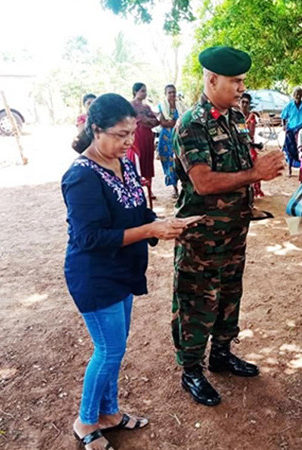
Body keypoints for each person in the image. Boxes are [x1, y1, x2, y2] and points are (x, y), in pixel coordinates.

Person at [65, 93, 192, 450]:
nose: (128, 141)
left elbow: (138, 214)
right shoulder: (81, 176)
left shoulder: (126, 162)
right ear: (95, 130)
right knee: (108, 350)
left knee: (114, 349)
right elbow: (89, 238)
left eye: (131, 133)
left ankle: (111, 413)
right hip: (94, 275)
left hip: (121, 271)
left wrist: (165, 223)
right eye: (120, 134)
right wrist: (150, 230)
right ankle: (86, 420)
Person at [172, 46, 285, 407]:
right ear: (212, 79)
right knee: (196, 302)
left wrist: (259, 163)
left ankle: (221, 354)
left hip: (234, 232)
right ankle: (191, 369)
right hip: (202, 237)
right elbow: (203, 182)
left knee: (228, 295)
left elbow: (238, 165)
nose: (241, 88)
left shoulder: (234, 119)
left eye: (242, 81)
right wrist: (256, 173)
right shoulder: (192, 123)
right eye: (235, 81)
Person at [129, 83, 160, 201]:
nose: (144, 93)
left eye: (145, 91)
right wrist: (145, 121)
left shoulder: (146, 107)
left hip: (148, 135)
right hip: (136, 135)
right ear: (135, 91)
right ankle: (136, 190)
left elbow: (156, 122)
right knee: (137, 160)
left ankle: (149, 189)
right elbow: (136, 120)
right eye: (142, 91)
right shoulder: (130, 106)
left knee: (148, 161)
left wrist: (147, 121)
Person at [157, 84, 185, 198]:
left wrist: (173, 122)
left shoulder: (181, 106)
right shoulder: (162, 106)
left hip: (178, 138)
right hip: (166, 139)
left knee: (181, 162)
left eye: (174, 92)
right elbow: (163, 123)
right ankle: (175, 188)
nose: (172, 94)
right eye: (169, 92)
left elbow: (183, 121)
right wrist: (176, 122)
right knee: (170, 163)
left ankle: (184, 187)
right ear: (165, 94)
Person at [281, 87, 302, 176]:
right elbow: (283, 117)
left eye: (300, 94)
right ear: (293, 95)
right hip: (291, 130)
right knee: (290, 149)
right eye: (296, 94)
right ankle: (290, 170)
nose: (298, 96)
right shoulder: (289, 106)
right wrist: (284, 127)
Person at [239, 92, 265, 198]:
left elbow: (250, 134)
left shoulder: (251, 116)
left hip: (248, 145)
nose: (245, 104)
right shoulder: (234, 114)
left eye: (247, 102)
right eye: (243, 102)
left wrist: (240, 129)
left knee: (253, 164)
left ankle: (254, 190)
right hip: (238, 145)